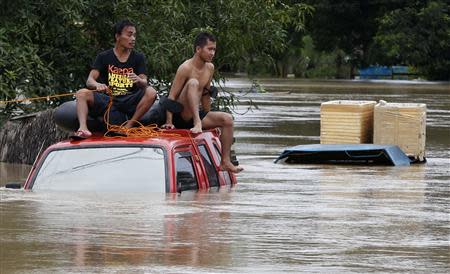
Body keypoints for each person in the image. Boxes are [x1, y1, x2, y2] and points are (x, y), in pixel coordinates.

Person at [162, 32, 243, 173]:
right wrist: (169, 122)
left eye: (214, 49)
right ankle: (197, 122)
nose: (212, 53)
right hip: (181, 115)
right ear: (198, 49)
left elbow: (205, 93)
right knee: (193, 82)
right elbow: (172, 96)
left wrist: (209, 119)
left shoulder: (210, 67)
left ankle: (225, 161)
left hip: (196, 116)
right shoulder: (185, 68)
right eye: (209, 49)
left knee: (227, 119)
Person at [73, 19, 157, 138]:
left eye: (134, 35)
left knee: (151, 92)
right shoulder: (103, 56)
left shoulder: (138, 57)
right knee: (81, 93)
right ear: (118, 36)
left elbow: (144, 82)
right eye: (129, 35)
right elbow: (90, 80)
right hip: (109, 99)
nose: (133, 39)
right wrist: (97, 85)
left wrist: (139, 80)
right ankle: (83, 129)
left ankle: (129, 125)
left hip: (130, 99)